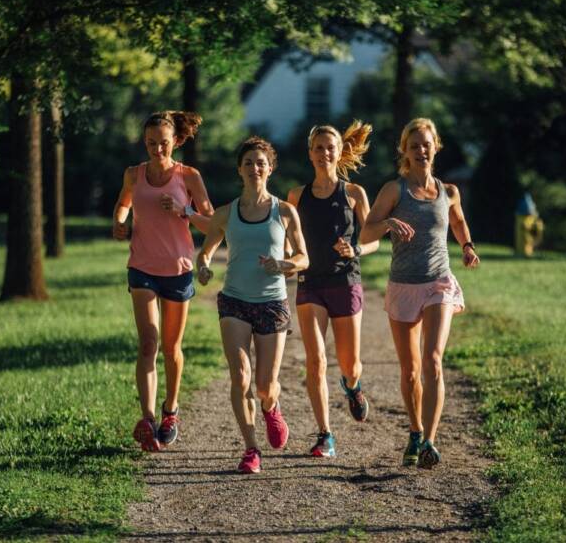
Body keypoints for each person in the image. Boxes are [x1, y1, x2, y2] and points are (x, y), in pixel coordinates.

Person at [359, 118, 480, 469]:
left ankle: (429, 439)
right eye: (414, 146)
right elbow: (366, 234)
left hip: (439, 282)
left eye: (426, 144)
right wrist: (387, 224)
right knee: (411, 371)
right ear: (405, 152)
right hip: (403, 285)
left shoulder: (449, 191)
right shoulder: (393, 191)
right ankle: (414, 431)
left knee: (433, 361)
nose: (421, 150)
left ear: (435, 146)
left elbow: (457, 220)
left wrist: (467, 246)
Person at [196, 136, 308, 474]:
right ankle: (250, 448)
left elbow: (304, 257)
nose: (255, 168)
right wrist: (202, 265)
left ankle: (271, 407)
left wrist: (287, 265)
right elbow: (206, 249)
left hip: (272, 304)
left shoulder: (285, 212)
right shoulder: (225, 213)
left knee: (263, 385)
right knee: (240, 376)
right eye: (248, 163)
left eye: (261, 162)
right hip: (234, 301)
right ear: (239, 170)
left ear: (270, 169)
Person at [112, 111, 214, 452]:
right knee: (148, 344)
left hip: (178, 269)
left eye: (164, 143)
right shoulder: (133, 174)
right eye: (152, 143)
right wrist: (120, 222)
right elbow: (123, 205)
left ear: (176, 142)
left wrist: (183, 210)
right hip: (141, 267)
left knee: (171, 348)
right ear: (145, 142)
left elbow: (212, 224)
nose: (158, 149)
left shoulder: (189, 176)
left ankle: (171, 411)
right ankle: (148, 419)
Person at [286, 121, 379, 458]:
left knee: (349, 363)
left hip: (345, 281)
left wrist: (355, 249)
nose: (325, 152)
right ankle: (325, 434)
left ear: (339, 152)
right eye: (318, 147)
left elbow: (372, 241)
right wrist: (283, 259)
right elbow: (288, 240)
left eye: (331, 147)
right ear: (310, 153)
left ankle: (352, 386)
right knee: (316, 360)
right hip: (310, 284)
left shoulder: (354, 193)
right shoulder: (297, 196)